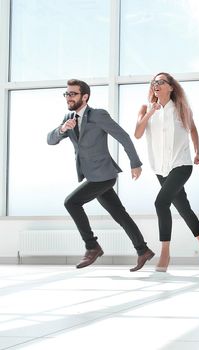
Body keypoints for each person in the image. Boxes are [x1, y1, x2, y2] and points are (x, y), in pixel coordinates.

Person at [47, 79, 155, 271]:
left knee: (71, 202)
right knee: (119, 214)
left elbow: (123, 136)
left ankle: (92, 247)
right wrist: (63, 128)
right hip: (92, 176)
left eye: (73, 94)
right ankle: (143, 250)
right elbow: (50, 140)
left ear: (85, 96)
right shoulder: (69, 118)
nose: (69, 97)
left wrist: (135, 163)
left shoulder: (98, 115)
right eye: (67, 94)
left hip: (104, 175)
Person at [134, 72, 199, 272]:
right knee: (183, 208)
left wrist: (197, 152)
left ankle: (165, 253)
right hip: (160, 169)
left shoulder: (181, 108)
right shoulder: (145, 109)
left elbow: (192, 129)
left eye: (161, 82)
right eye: (154, 82)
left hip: (182, 164)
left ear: (171, 87)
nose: (156, 85)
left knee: (161, 203)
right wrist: (151, 112)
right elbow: (137, 133)